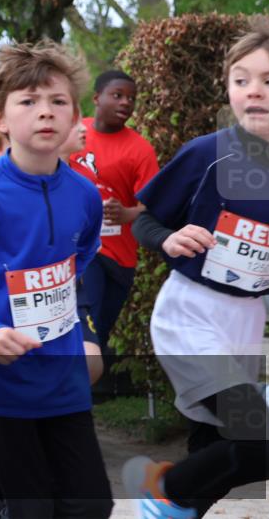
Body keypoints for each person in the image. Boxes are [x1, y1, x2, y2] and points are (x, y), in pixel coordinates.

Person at [0, 40, 112, 519]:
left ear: (76, 116)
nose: (45, 113)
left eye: (57, 101)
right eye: (28, 101)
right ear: (0, 118)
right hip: (2, 384)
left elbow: (82, 256)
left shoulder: (86, 196)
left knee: (92, 507)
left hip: (63, 377)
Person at [123, 18, 269, 519]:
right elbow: (142, 220)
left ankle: (179, 501)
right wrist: (168, 237)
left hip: (245, 324)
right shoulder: (208, 154)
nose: (252, 91)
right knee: (268, 443)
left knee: (213, 451)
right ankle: (162, 485)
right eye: (240, 80)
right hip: (190, 317)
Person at [71, 70, 159, 355]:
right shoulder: (75, 133)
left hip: (122, 256)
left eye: (131, 98)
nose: (126, 103)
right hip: (86, 251)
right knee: (88, 322)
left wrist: (128, 214)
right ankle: (73, 392)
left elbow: (155, 203)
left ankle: (84, 390)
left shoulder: (140, 149)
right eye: (117, 95)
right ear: (97, 98)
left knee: (102, 329)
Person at [58, 121, 105, 385]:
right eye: (74, 123)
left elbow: (89, 238)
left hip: (71, 284)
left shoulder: (84, 183)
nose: (83, 128)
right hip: (24, 291)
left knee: (91, 366)